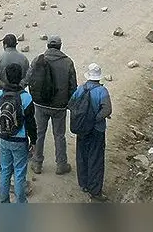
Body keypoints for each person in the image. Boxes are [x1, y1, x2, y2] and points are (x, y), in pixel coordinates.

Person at [25, 35, 76, 176]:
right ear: (60, 46)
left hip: (40, 104)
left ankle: (37, 163)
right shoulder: (67, 62)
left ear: (47, 46)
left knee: (39, 134)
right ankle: (61, 164)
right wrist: (69, 104)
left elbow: (28, 79)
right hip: (59, 106)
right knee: (59, 135)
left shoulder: (38, 60)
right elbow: (73, 87)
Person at [69, 63, 113, 202]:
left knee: (82, 155)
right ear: (99, 77)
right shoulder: (102, 91)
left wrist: (83, 118)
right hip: (96, 130)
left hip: (82, 129)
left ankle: (84, 184)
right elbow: (107, 110)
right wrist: (95, 119)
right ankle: (95, 190)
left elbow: (71, 104)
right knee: (96, 158)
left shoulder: (80, 89)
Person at [0, 63, 37, 203]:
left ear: (6, 76)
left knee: (5, 171)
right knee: (19, 172)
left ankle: (3, 202)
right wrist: (34, 140)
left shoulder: (0, 95)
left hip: (4, 138)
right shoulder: (26, 98)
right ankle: (20, 203)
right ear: (21, 77)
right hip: (20, 139)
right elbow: (31, 123)